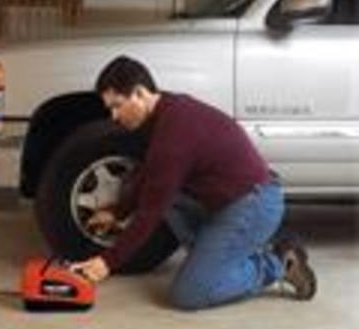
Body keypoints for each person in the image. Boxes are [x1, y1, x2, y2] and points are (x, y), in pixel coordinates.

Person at [70, 55, 317, 310]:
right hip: (231, 201)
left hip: (254, 204)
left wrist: (108, 262)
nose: (114, 116)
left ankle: (278, 262)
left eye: (117, 105)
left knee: (188, 294)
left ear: (140, 93)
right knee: (167, 197)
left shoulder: (174, 132)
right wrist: (117, 212)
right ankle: (220, 259)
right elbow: (151, 173)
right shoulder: (166, 110)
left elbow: (150, 211)